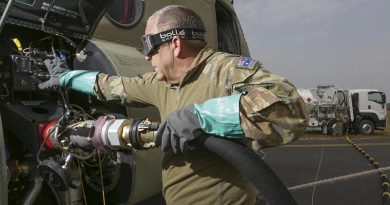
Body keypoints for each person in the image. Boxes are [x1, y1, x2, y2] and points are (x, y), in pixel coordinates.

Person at [40, 5, 308, 205]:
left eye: (148, 46)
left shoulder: (224, 70)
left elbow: (291, 108)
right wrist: (66, 77)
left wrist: (202, 116)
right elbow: (114, 86)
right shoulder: (161, 83)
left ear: (175, 43)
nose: (146, 57)